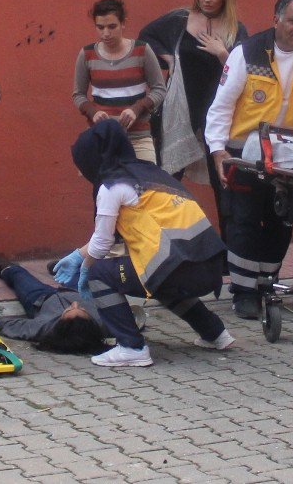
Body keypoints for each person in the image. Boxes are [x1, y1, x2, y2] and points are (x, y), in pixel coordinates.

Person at [205, 0, 293, 320]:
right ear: (276, 18)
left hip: (291, 155)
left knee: (283, 220)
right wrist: (217, 149)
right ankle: (244, 291)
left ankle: (268, 283)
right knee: (245, 221)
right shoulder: (247, 52)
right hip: (245, 152)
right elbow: (221, 106)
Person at [58, 119, 234, 367]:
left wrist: (85, 268)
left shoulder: (112, 186)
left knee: (101, 273)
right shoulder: (151, 174)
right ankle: (216, 334)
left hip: (182, 268)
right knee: (158, 275)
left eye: (81, 164)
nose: (80, 172)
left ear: (94, 158)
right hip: (210, 265)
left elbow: (101, 244)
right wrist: (79, 253)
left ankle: (131, 347)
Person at [139, 0, 248, 236]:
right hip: (181, 107)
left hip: (219, 112)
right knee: (168, 176)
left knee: (222, 180)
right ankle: (164, 242)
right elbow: (146, 37)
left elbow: (247, 74)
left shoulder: (236, 29)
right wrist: (167, 57)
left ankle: (229, 250)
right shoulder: (179, 20)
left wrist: (223, 54)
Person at [72, 0, 165, 164]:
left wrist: (136, 109)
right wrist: (93, 113)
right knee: (104, 189)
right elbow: (78, 95)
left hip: (138, 136)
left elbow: (159, 89)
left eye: (111, 27)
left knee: (147, 186)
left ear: (123, 23)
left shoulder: (142, 50)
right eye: (100, 27)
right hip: (102, 136)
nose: (106, 33)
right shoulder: (87, 54)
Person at [0, 254, 107, 353]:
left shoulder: (42, 328)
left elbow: (4, 324)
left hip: (41, 298)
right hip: (77, 290)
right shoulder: (105, 323)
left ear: (58, 326)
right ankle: (60, 266)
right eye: (83, 310)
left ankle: (6, 267)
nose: (75, 304)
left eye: (68, 310)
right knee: (85, 269)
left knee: (19, 277)